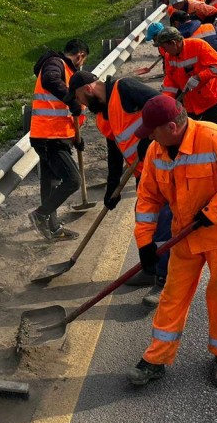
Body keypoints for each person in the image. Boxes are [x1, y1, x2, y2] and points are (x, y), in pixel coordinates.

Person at [127, 95, 217, 388]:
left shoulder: (215, 139)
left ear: (173, 126)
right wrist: (145, 243)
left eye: (154, 130)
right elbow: (148, 198)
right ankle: (156, 359)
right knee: (173, 297)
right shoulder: (156, 151)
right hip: (183, 236)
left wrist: (213, 213)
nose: (150, 136)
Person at [65, 70, 172, 306]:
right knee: (144, 222)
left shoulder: (125, 89)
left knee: (163, 224)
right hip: (142, 173)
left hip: (163, 167)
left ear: (88, 89)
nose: (82, 105)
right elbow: (114, 150)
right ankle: (150, 268)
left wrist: (150, 137)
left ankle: (166, 282)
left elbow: (163, 105)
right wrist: (112, 186)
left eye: (80, 99)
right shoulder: (103, 115)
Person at [29, 39, 89, 239]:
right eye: (83, 60)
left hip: (55, 135)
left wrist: (74, 138)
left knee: (51, 183)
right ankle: (40, 215)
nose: (82, 64)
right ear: (79, 55)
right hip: (49, 137)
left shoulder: (69, 73)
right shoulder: (55, 63)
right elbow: (50, 81)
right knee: (72, 180)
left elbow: (65, 112)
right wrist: (71, 99)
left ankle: (52, 227)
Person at [153, 26, 217, 126]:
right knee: (191, 132)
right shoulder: (168, 56)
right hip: (190, 102)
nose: (164, 50)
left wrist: (199, 77)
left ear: (173, 43)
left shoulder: (198, 45)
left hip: (211, 98)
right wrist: (166, 101)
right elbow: (170, 81)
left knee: (215, 131)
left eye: (164, 47)